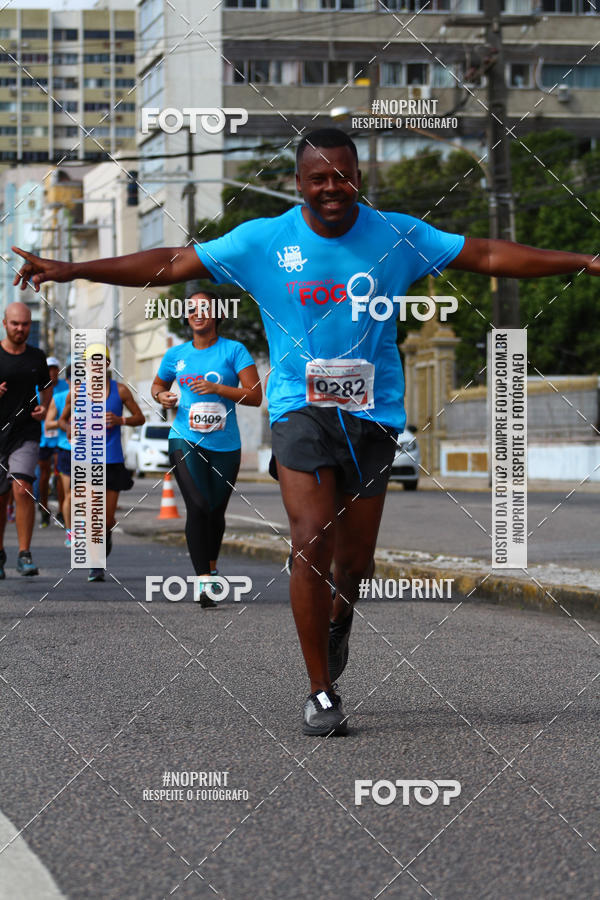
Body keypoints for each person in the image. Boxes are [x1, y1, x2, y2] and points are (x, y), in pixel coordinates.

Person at [12, 128, 600, 734]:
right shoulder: (261, 240)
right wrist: (71, 268)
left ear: (358, 180)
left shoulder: (398, 235)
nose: (331, 188)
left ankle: (339, 616)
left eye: (342, 177)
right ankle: (320, 691)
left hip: (373, 415)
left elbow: (488, 256)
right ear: (298, 184)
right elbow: (170, 264)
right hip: (299, 408)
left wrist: (581, 261)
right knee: (311, 538)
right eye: (318, 179)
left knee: (356, 563)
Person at [151, 292, 261, 607]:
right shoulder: (175, 355)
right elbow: (158, 386)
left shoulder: (234, 350)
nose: (197, 313)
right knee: (198, 506)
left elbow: (255, 396)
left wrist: (217, 388)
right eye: (192, 309)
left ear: (218, 314)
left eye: (204, 308)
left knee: (215, 510)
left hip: (226, 444)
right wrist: (161, 397)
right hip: (185, 438)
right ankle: (204, 582)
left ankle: (211, 568)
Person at [59, 344, 145, 582]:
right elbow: (62, 421)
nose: (95, 366)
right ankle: (95, 564)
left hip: (112, 459)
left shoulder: (121, 390)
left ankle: (103, 543)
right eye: (91, 362)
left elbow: (140, 418)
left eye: (100, 361)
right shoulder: (76, 392)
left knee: (105, 520)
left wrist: (120, 420)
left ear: (107, 363)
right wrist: (70, 428)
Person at [0, 301, 52, 577]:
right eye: (15, 324)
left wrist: (45, 407)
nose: (20, 329)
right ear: (5, 324)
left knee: (22, 489)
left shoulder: (37, 357)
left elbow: (46, 386)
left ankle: (24, 553)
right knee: (1, 497)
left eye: (25, 324)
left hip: (25, 432)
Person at [37, 356, 67, 527]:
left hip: (61, 437)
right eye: (49, 369)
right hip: (43, 437)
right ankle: (44, 508)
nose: (52, 372)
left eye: (54, 369)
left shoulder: (65, 386)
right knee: (43, 475)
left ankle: (62, 510)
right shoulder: (38, 387)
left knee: (60, 474)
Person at [45, 364, 71, 547]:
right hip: (66, 450)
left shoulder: (94, 398)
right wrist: (65, 424)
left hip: (90, 450)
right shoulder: (60, 398)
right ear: (67, 380)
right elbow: (48, 424)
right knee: (70, 493)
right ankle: (71, 532)